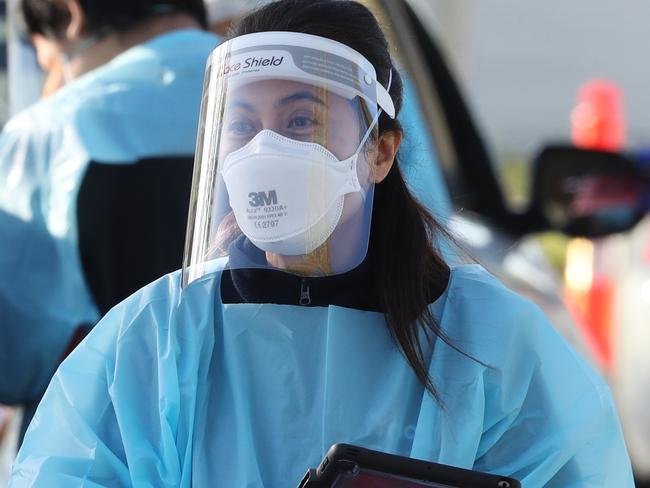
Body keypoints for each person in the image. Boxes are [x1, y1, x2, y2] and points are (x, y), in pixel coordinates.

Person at [11, 1, 634, 486]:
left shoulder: (489, 343)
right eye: (243, 125)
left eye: (300, 120)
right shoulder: (155, 339)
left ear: (380, 150)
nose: (264, 149)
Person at [0, 0, 219, 440]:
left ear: (69, 14)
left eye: (39, 48)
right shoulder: (331, 98)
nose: (47, 71)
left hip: (100, 451)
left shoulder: (46, 133)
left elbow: (16, 356)